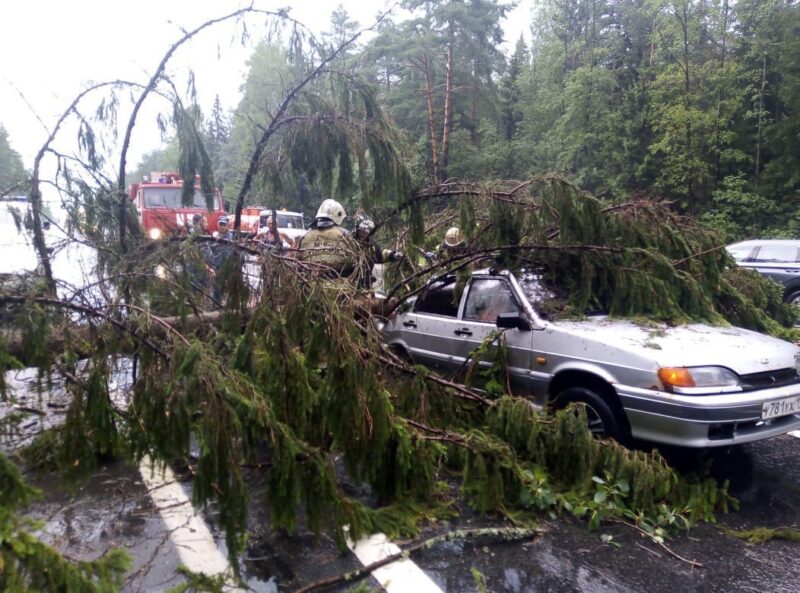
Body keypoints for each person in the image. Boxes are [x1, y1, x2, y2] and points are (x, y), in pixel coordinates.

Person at [295, 198, 357, 277]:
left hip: (311, 278)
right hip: (342, 278)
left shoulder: (305, 236)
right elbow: (354, 258)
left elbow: (298, 260)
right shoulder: (344, 234)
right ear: (338, 215)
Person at [352, 213, 403, 289]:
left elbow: (380, 257)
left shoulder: (372, 244)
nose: (363, 234)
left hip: (365, 281)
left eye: (366, 233)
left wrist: (392, 255)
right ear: (357, 230)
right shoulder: (350, 241)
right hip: (349, 277)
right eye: (361, 231)